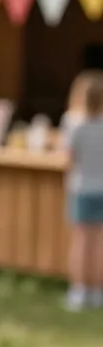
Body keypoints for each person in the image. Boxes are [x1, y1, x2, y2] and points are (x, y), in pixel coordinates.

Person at [64, 72, 103, 311]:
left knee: (81, 242)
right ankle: (98, 291)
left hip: (81, 188)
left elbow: (68, 160)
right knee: (99, 244)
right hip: (102, 189)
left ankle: (79, 290)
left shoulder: (76, 127)